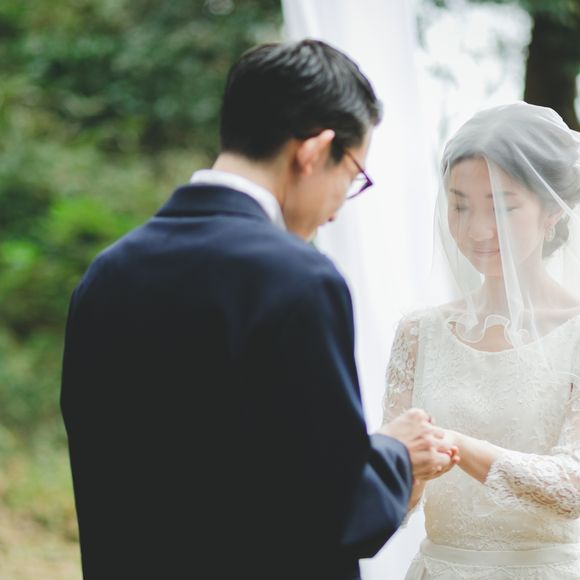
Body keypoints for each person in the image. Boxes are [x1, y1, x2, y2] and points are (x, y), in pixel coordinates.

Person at [61, 39, 454, 580]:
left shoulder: (107, 273)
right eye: (352, 177)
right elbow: (335, 508)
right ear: (314, 151)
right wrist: (397, 453)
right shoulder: (299, 279)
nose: (337, 211)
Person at [383, 101, 580, 578]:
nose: (475, 229)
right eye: (459, 205)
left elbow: (572, 487)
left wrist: (455, 445)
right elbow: (393, 492)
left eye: (501, 207)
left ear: (552, 209)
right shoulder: (419, 333)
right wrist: (404, 476)